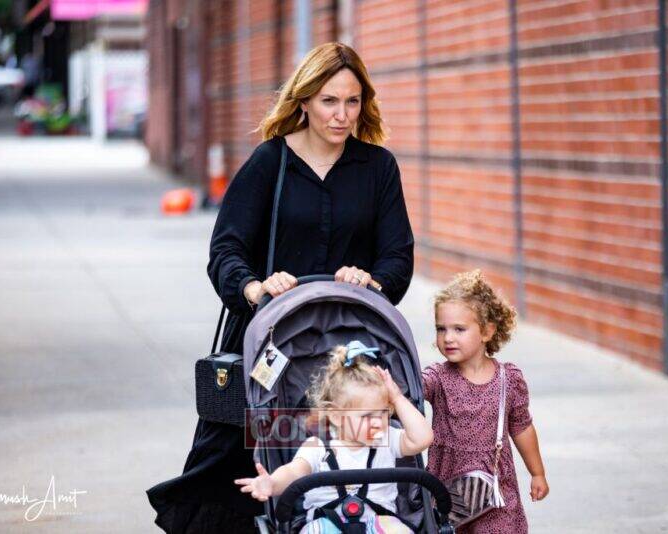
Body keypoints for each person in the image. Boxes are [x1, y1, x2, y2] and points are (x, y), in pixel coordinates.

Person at [147, 42, 415, 533]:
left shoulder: (378, 168)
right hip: (271, 345)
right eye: (329, 101)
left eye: (352, 101)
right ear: (304, 100)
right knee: (246, 468)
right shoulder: (270, 162)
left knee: (357, 463)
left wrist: (372, 280)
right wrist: (255, 288)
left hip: (351, 350)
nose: (341, 115)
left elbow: (398, 257)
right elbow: (225, 250)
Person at [235, 341, 433, 533]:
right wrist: (272, 483)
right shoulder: (317, 447)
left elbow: (422, 439)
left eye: (383, 413)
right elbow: (294, 472)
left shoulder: (387, 440)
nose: (377, 422)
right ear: (336, 416)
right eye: (366, 416)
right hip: (327, 521)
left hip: (379, 521)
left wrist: (397, 398)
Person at [422, 270, 549, 533]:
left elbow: (522, 427)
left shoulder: (508, 378)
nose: (448, 337)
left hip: (495, 492)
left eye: (459, 329)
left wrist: (537, 473)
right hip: (449, 491)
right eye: (441, 329)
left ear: (487, 331)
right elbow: (412, 388)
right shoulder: (437, 377)